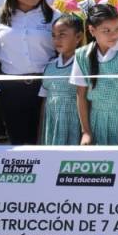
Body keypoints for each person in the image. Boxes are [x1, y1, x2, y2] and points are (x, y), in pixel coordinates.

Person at [0, 0, 58, 145]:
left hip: (47, 87)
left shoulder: (54, 16)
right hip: (11, 90)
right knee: (18, 141)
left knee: (44, 142)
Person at [71, 4, 118, 146]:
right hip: (97, 121)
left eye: (117, 28)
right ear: (92, 30)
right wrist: (86, 132)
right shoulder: (82, 55)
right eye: (106, 30)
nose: (114, 35)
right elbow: (81, 96)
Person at [39, 14, 84, 145]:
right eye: (53, 35)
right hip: (52, 123)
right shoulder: (49, 66)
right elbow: (44, 101)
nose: (57, 39)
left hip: (76, 123)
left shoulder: (83, 63)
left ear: (78, 37)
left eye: (62, 34)